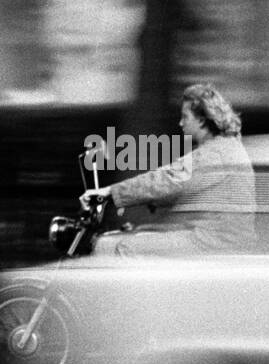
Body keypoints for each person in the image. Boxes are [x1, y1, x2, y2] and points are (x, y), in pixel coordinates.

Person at [83, 84, 256, 257]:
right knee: (143, 231)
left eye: (185, 117)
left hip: (215, 241)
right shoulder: (227, 147)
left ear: (202, 120)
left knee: (127, 248)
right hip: (222, 237)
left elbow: (166, 180)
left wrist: (110, 193)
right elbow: (184, 187)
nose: (181, 123)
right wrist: (153, 200)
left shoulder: (215, 153)